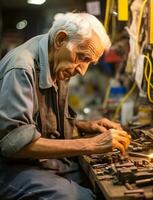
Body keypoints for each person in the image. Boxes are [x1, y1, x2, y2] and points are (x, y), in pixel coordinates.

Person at [0, 12, 131, 200]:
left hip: (40, 163)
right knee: (82, 198)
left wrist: (82, 125)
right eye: (82, 57)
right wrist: (91, 144)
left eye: (89, 63)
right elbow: (14, 145)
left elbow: (41, 121)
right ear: (61, 39)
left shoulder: (56, 62)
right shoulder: (22, 69)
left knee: (102, 186)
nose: (82, 71)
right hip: (9, 168)